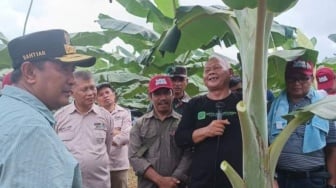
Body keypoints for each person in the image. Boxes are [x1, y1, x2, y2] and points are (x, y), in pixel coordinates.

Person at [0, 29, 96, 187]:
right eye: (64, 68)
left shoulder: (8, 109)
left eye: (72, 70)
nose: (72, 80)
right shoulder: (31, 130)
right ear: (30, 72)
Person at [174, 55, 243, 188]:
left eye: (216, 68)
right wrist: (206, 131)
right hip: (201, 181)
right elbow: (180, 138)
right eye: (207, 70)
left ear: (230, 73)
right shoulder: (195, 104)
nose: (211, 72)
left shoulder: (242, 102)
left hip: (237, 181)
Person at [268, 59, 336, 188]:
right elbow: (264, 146)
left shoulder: (323, 105)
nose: (297, 83)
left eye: (303, 78)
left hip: (313, 179)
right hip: (280, 180)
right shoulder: (272, 107)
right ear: (286, 79)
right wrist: (272, 178)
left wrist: (332, 183)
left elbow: (332, 148)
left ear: (311, 79)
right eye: (292, 78)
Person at [129, 75, 191, 188]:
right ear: (150, 97)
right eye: (157, 94)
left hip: (176, 185)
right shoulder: (140, 124)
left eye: (166, 93)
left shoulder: (183, 123)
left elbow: (189, 153)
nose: (162, 98)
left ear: (172, 95)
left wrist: (175, 178)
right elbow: (134, 156)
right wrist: (160, 180)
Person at [54, 71, 114, 188]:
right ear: (72, 92)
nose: (91, 93)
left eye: (92, 88)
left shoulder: (106, 116)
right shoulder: (59, 117)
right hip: (69, 183)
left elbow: (107, 146)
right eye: (84, 89)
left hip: (99, 183)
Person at [96, 82, 132, 188]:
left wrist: (105, 134)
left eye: (107, 92)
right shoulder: (94, 115)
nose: (105, 96)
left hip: (119, 165)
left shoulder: (124, 113)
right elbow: (93, 137)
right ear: (96, 99)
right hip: (99, 165)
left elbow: (127, 136)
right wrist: (116, 132)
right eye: (101, 94)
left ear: (114, 94)